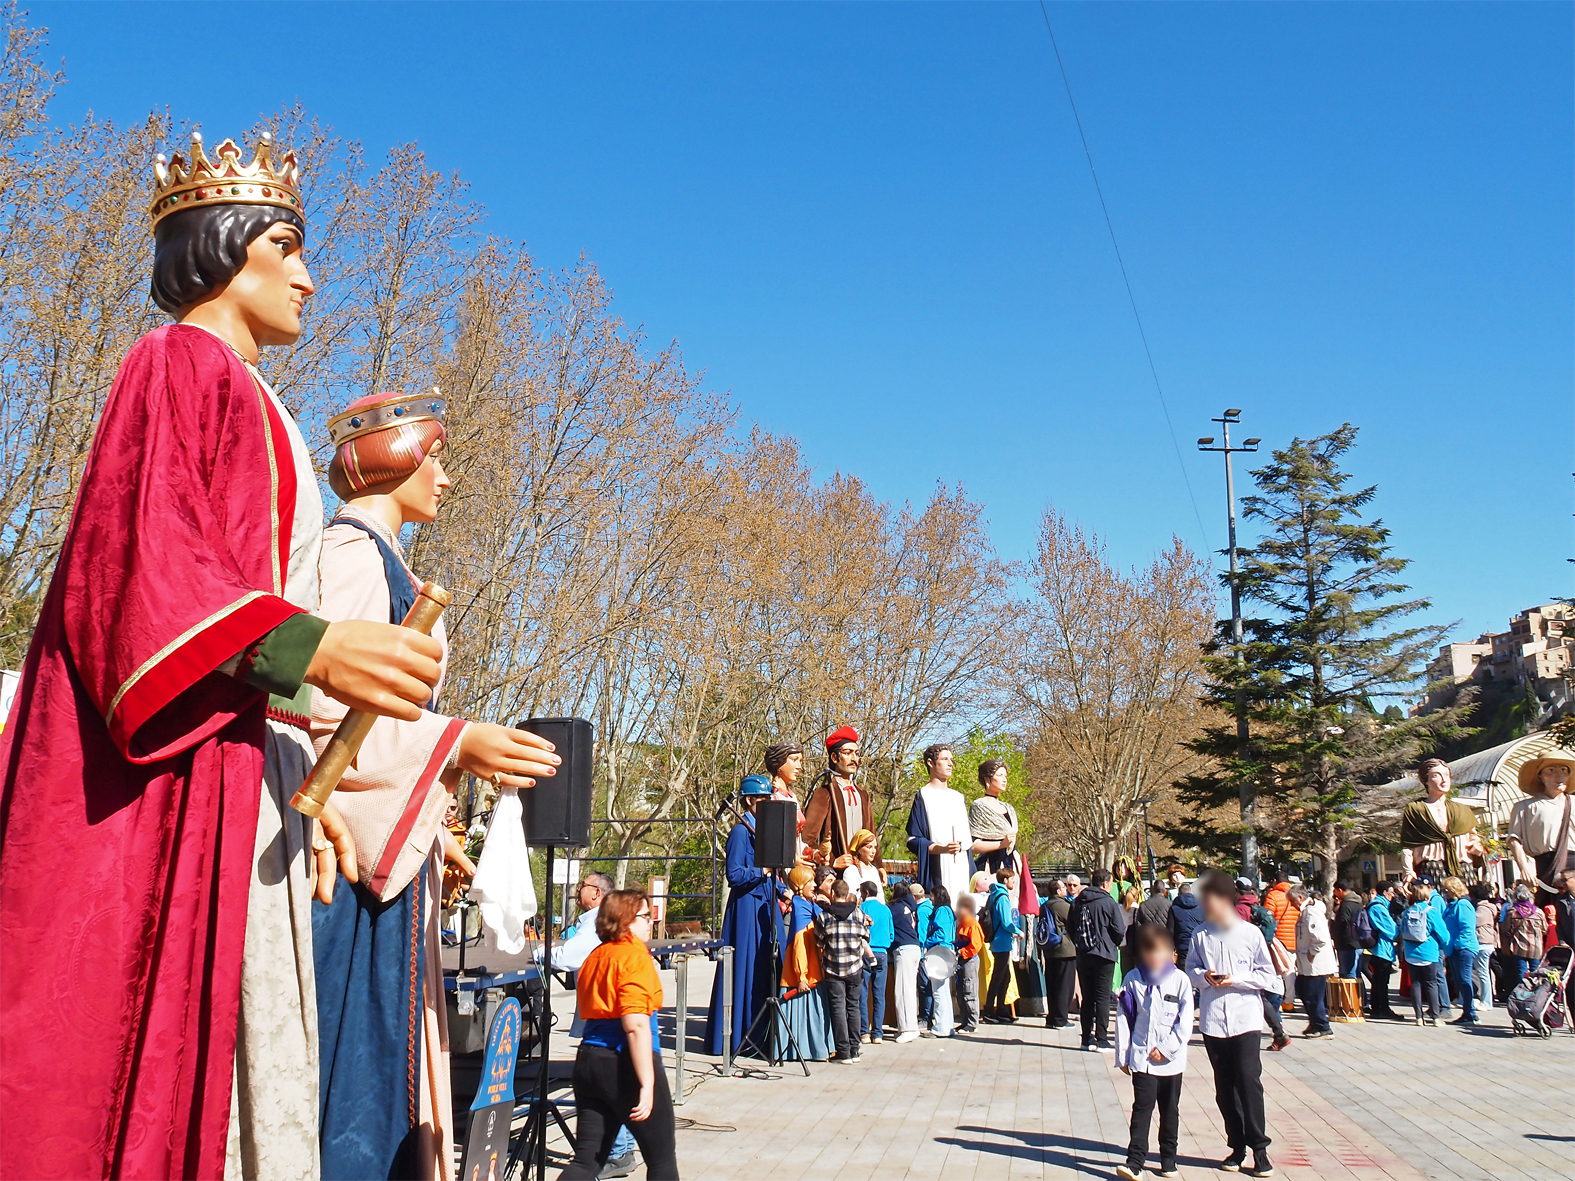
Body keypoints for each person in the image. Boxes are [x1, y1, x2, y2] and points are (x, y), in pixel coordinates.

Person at [0, 133, 457, 1181]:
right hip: (169, 781)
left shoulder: (258, 400)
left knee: (250, 1062)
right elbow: (144, 570)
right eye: (287, 247)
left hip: (242, 770)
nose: (309, 277)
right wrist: (315, 645)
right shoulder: (175, 362)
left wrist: (308, 773)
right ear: (221, 246)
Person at [312, 390, 562, 1181]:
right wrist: (458, 739)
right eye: (435, 457)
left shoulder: (387, 561)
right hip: (347, 875)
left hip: (392, 854)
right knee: (353, 1067)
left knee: (385, 1058)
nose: (445, 477)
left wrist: (439, 822)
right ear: (394, 458)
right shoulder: (350, 557)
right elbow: (319, 711)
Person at [559, 889, 678, 1180]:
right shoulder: (633, 956)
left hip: (589, 1061)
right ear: (626, 921)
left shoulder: (595, 956)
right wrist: (647, 1083)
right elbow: (635, 1025)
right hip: (624, 1063)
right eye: (645, 916)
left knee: (586, 1162)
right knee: (662, 1161)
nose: (651, 921)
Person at [1186, 870, 1278, 1179]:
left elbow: (1267, 976)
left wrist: (1235, 979)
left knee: (1249, 1082)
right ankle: (1236, 1146)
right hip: (1213, 1020)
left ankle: (1260, 1149)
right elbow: (1190, 970)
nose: (1205, 904)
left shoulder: (1250, 934)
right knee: (1225, 1088)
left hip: (1245, 1018)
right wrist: (1204, 976)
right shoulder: (1200, 934)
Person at [706, 776, 783, 1056]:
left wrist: (784, 890)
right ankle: (740, 1037)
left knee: (765, 968)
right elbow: (735, 874)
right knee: (745, 970)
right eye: (762, 799)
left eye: (769, 799)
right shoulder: (741, 832)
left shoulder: (763, 830)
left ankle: (762, 1035)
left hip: (766, 903)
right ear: (749, 800)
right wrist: (762, 871)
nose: (767, 804)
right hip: (747, 907)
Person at [1114, 924, 1193, 1181]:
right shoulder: (1133, 979)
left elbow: (1185, 1022)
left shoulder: (1180, 981)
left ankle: (1168, 1159)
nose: (1154, 957)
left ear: (1171, 953)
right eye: (1148, 952)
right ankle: (1135, 1161)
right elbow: (1124, 1018)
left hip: (1171, 1061)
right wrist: (1123, 1055)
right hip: (1142, 1057)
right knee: (1141, 1109)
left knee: (1169, 1110)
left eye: (1160, 951)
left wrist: (1167, 1049)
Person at [905, 743, 974, 903]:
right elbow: (914, 840)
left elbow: (967, 843)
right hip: (939, 870)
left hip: (962, 869)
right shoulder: (924, 796)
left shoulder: (958, 797)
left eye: (951, 759)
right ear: (931, 763)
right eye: (945, 759)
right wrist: (943, 849)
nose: (951, 764)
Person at [777, 866, 833, 1062]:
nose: (815, 885)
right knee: (808, 1015)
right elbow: (799, 945)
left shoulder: (810, 906)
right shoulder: (801, 910)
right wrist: (801, 976)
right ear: (801, 884)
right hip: (805, 976)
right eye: (810, 882)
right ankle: (810, 1051)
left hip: (815, 972)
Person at [1400, 757, 1484, 885]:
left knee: (1465, 897)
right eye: (1436, 775)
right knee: (1436, 898)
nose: (1444, 780)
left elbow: (1474, 836)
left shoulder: (1462, 810)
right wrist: (1408, 871)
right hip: (1432, 867)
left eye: (1446, 775)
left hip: (1462, 866)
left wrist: (1477, 844)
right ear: (1425, 780)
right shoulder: (1416, 809)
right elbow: (1408, 844)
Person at [1505, 754, 1574, 907]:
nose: (1559, 775)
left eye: (1564, 770)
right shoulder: (1525, 807)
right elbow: (1514, 840)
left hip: (1573, 863)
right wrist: (1524, 869)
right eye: (1551, 770)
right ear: (1540, 776)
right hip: (1546, 868)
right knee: (1552, 912)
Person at [1070, 867, 1127, 1051]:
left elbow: (1071, 927)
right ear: (1105, 884)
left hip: (1084, 954)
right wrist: (1113, 943)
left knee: (1088, 997)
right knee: (1102, 997)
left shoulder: (1077, 902)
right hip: (1104, 954)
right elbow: (1119, 929)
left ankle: (1086, 1038)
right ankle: (1101, 1038)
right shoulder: (1108, 902)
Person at [803, 726, 874, 868]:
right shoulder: (825, 793)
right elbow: (807, 838)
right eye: (847, 753)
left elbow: (871, 836)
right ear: (834, 757)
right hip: (835, 876)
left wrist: (879, 867)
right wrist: (832, 861)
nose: (854, 758)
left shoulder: (863, 795)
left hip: (862, 872)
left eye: (857, 753)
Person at [817, 879, 872, 1061]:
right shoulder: (858, 914)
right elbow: (866, 936)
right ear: (847, 894)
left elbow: (818, 941)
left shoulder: (824, 916)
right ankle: (855, 1049)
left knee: (838, 1008)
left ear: (833, 893)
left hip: (833, 968)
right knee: (853, 1006)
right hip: (855, 967)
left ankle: (843, 1051)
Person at [1239, 882, 1291, 1050]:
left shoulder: (1239, 910)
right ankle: (1278, 1032)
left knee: (1256, 995)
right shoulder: (1257, 907)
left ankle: (1277, 1032)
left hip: (1244, 957)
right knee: (1260, 995)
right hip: (1261, 954)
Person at [1400, 879, 1450, 1025]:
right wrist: (1445, 947)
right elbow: (1443, 934)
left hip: (1411, 953)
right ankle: (1436, 1017)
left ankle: (1419, 1017)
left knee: (1415, 984)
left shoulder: (1408, 911)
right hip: (1429, 952)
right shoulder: (1431, 912)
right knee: (1431, 983)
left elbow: (1402, 930)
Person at [1291, 886, 1335, 1039]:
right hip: (1306, 963)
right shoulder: (1305, 912)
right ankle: (1315, 1022)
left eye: (1292, 901)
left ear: (1300, 898)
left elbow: (1320, 938)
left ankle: (1323, 1026)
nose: (1292, 905)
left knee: (1313, 996)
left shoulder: (1311, 912)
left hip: (1315, 964)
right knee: (1302, 990)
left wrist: (1312, 952)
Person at [1436, 876, 1479, 1025]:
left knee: (1464, 980)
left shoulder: (1463, 905)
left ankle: (1470, 1013)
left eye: (1447, 890)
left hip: (1463, 948)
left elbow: (1467, 928)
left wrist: (1458, 945)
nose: (1445, 893)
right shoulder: (1451, 906)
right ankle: (1468, 1011)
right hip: (1453, 949)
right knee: (1459, 981)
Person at [983, 866, 1024, 1023]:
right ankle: (990, 1010)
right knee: (999, 977)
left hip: (998, 941)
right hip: (1002, 942)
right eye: (1012, 879)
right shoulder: (1003, 897)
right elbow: (1007, 922)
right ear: (1005, 880)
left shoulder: (994, 894)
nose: (1014, 882)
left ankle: (1001, 1010)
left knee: (1004, 977)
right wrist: (1018, 931)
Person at [968, 758, 1019, 874]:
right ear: (987, 779)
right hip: (991, 866)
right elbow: (973, 846)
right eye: (1000, 775)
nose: (1004, 780)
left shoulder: (1009, 808)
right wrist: (1001, 844)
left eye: (1005, 776)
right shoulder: (979, 806)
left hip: (1012, 864)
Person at [921, 884, 958, 1037]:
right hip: (946, 951)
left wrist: (927, 943)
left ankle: (941, 1027)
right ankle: (948, 1026)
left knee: (938, 992)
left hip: (939, 952)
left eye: (932, 895)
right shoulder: (948, 910)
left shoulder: (941, 911)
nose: (930, 899)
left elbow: (941, 933)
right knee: (944, 992)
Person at [859, 880, 893, 1043]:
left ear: (865, 893)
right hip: (882, 952)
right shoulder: (885, 909)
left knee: (863, 993)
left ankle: (864, 1032)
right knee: (880, 995)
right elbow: (891, 933)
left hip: (866, 951)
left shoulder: (862, 908)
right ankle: (878, 1033)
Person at [890, 881, 923, 1043]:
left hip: (903, 948)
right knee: (910, 988)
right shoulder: (911, 907)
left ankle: (908, 1029)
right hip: (914, 947)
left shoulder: (895, 908)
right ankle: (911, 1026)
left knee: (903, 990)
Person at [1364, 882, 1403, 1020]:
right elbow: (1392, 930)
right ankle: (1382, 1009)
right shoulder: (1378, 907)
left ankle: (1377, 1008)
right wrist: (1397, 931)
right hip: (1381, 949)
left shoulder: (1378, 906)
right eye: (1391, 892)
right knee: (1381, 981)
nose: (1393, 895)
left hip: (1380, 948)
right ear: (1385, 893)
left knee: (1378, 981)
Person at [1498, 882, 1547, 991]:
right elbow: (1545, 930)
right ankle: (1536, 994)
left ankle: (1523, 993)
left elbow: (1506, 929)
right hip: (1536, 948)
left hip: (1519, 947)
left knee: (1521, 972)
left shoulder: (1512, 912)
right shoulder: (1539, 912)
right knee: (1536, 972)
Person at [763, 742, 808, 861]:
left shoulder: (792, 796)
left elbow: (797, 841)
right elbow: (772, 841)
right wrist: (791, 858)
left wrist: (814, 854)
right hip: (780, 865)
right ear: (779, 763)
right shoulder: (772, 797)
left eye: (800, 761)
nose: (799, 766)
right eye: (794, 760)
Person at [1043, 879, 1078, 1030]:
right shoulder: (1062, 905)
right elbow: (1075, 922)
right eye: (1064, 886)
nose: (1066, 889)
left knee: (1052, 985)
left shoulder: (1045, 905)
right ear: (1058, 891)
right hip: (1064, 950)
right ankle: (1060, 1019)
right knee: (1065, 986)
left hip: (1049, 949)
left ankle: (1052, 1017)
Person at [1263, 870, 1300, 1011]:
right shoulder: (1296, 895)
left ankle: (1278, 998)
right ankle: (1289, 1001)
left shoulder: (1273, 895)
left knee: (1278, 970)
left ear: (1274, 881)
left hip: (1279, 938)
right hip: (1295, 937)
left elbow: (1268, 916)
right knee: (1291, 970)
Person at [954, 893, 985, 1033]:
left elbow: (976, 944)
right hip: (962, 960)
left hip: (970, 960)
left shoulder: (972, 924)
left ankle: (972, 1023)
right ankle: (965, 1021)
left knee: (969, 990)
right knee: (961, 991)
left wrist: (963, 952)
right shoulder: (961, 923)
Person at [1331, 880, 1365, 989]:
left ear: (1340, 890)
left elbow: (1342, 923)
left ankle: (1353, 999)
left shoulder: (1346, 905)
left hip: (1347, 944)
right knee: (1357, 975)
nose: (1335, 894)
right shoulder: (1358, 902)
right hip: (1358, 943)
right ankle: (1361, 998)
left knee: (1350, 975)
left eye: (1335, 891)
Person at [1166, 881, 1204, 973]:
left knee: (1184, 972)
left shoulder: (1174, 908)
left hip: (1182, 945)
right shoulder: (1201, 906)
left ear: (1178, 894)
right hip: (1199, 944)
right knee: (1199, 972)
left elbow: (1170, 931)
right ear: (1191, 892)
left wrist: (1171, 947)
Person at [843, 827, 887, 894]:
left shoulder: (874, 870)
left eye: (875, 847)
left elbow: (880, 895)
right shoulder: (851, 871)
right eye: (869, 847)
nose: (873, 851)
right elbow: (851, 895)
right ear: (859, 849)